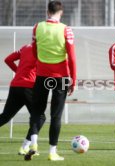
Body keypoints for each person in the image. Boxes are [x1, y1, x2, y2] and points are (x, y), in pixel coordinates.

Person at [24, 0, 76, 161]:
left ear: (48, 12)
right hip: (60, 77)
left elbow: (34, 51)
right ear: (61, 13)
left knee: (37, 112)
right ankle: (52, 152)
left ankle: (33, 143)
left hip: (41, 76)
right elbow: (72, 58)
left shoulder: (37, 27)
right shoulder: (66, 30)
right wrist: (72, 79)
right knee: (56, 116)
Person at [0, 44, 46, 155]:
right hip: (29, 87)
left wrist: (18, 72)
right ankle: (25, 147)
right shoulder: (43, 50)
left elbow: (8, 59)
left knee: (5, 116)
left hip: (15, 86)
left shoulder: (25, 47)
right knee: (40, 117)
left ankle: (25, 147)